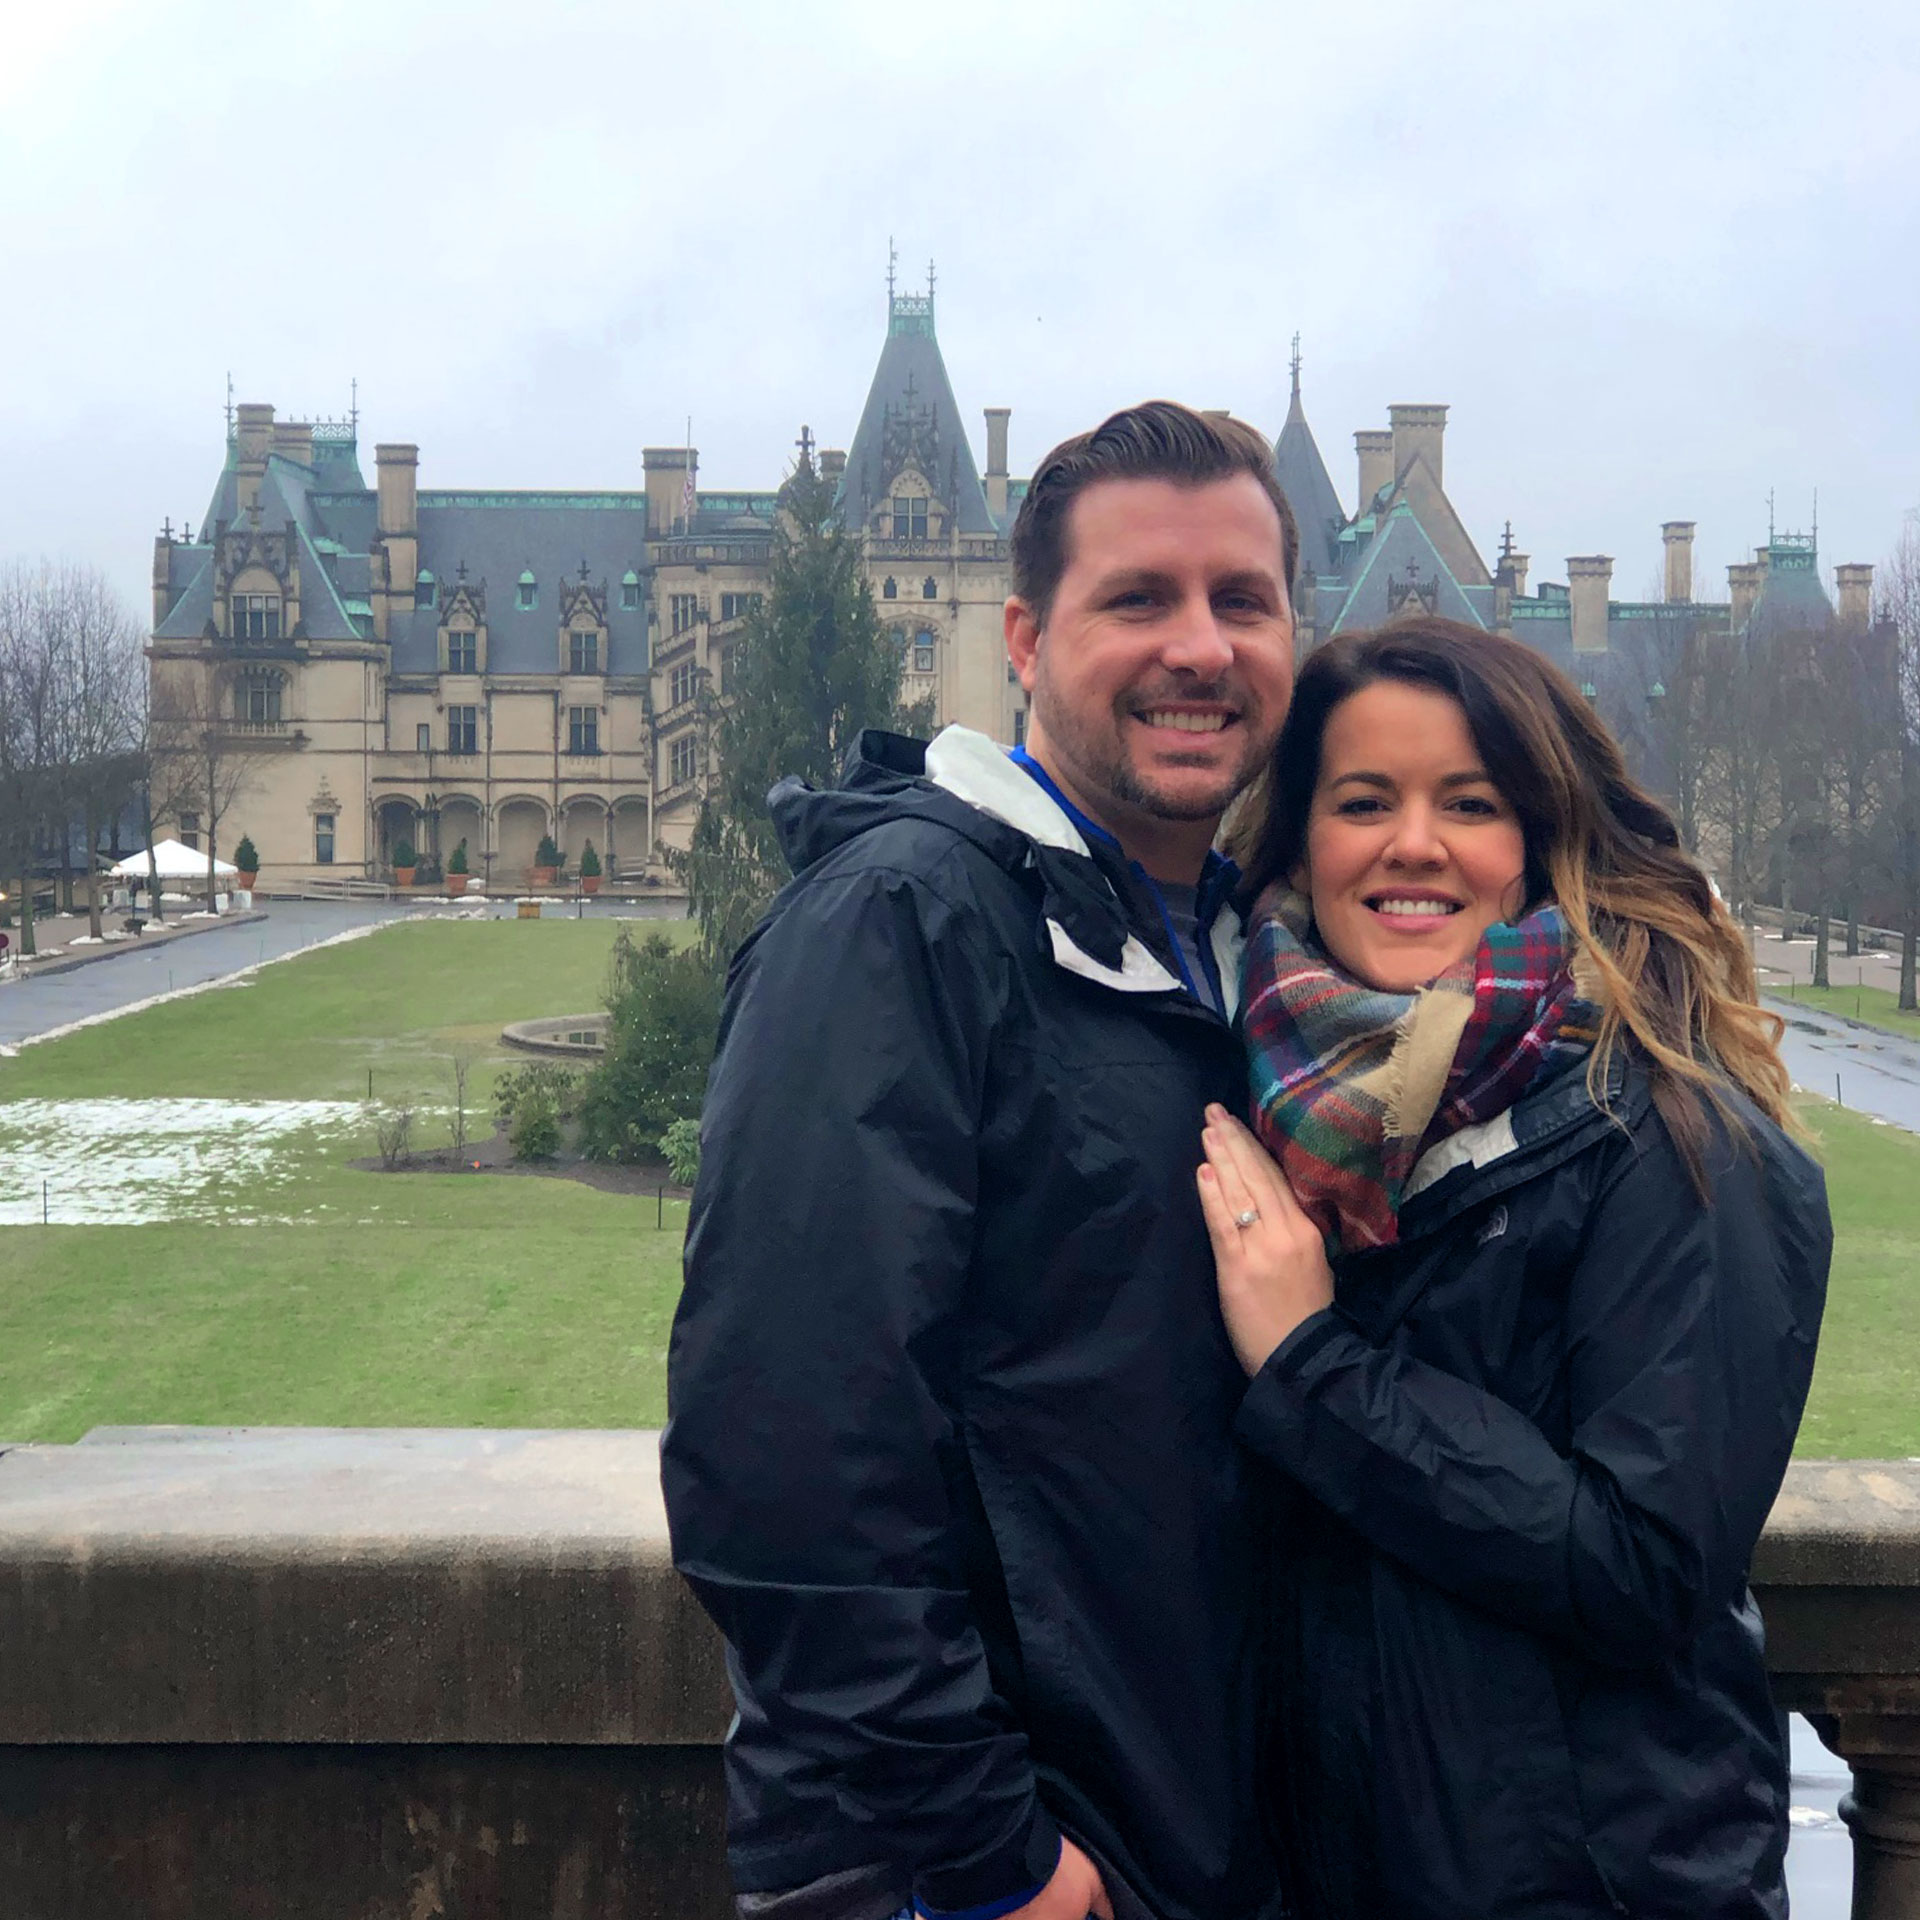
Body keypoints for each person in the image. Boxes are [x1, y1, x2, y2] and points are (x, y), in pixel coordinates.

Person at [663, 402, 1298, 1920]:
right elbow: (786, 1447)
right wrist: (986, 1861)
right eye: (1136, 599)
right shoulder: (904, 919)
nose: (1199, 648)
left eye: (1243, 601)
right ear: (1023, 636)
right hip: (977, 1868)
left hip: (1171, 1830)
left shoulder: (1223, 948)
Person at [1196, 615, 1831, 1920]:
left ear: (1540, 839)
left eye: (1468, 804)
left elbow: (1645, 1567)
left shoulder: (1682, 1135)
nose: (1411, 844)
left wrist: (1318, 1367)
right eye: (1363, 800)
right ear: (1302, 837)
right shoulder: (1276, 1100)